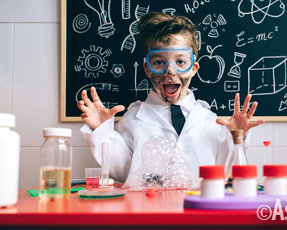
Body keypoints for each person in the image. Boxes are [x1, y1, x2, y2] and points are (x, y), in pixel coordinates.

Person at [78, 12, 264, 184]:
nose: (170, 71)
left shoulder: (210, 121)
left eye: (180, 62)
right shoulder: (133, 119)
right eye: (158, 62)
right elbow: (121, 171)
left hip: (200, 212)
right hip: (150, 213)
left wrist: (237, 137)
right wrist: (101, 130)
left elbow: (225, 170)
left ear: (193, 68)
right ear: (147, 69)